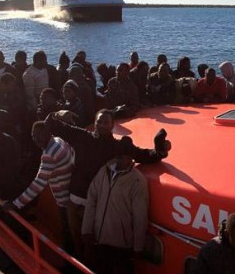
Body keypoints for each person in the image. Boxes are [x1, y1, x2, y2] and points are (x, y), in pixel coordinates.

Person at [46, 109, 171, 257]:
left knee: (91, 247)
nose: (102, 125)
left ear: (112, 125)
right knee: (75, 242)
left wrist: (160, 151)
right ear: (94, 122)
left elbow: (143, 155)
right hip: (74, 202)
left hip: (96, 206)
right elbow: (52, 125)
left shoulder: (117, 147)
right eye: (99, 121)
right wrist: (57, 113)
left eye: (106, 122)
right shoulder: (82, 136)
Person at [81, 136, 149, 274]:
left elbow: (140, 217)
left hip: (121, 246)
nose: (123, 160)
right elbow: (92, 200)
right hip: (98, 240)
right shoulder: (103, 171)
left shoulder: (137, 181)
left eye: (126, 157)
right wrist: (86, 230)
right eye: (120, 156)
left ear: (131, 158)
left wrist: (138, 247)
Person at [0, 72, 25, 136]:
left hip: (13, 113)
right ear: (2, 84)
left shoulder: (14, 88)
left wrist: (10, 106)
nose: (12, 87)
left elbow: (19, 101)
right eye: (10, 86)